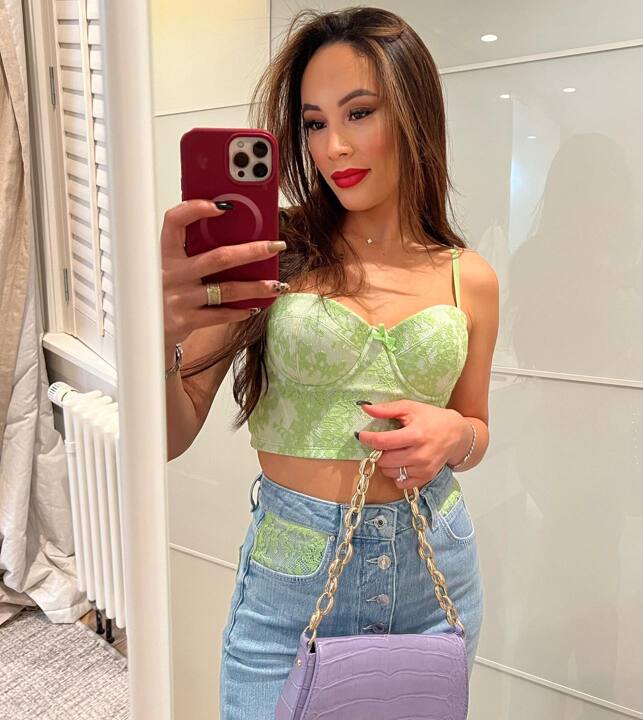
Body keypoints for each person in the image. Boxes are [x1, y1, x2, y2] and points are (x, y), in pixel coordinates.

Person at [161, 7, 499, 719]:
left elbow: (476, 429)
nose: (334, 146)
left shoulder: (470, 277)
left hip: (433, 564)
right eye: (314, 123)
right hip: (293, 575)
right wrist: (164, 336)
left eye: (359, 113)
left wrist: (452, 436)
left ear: (414, 114)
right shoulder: (271, 254)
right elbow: (170, 434)